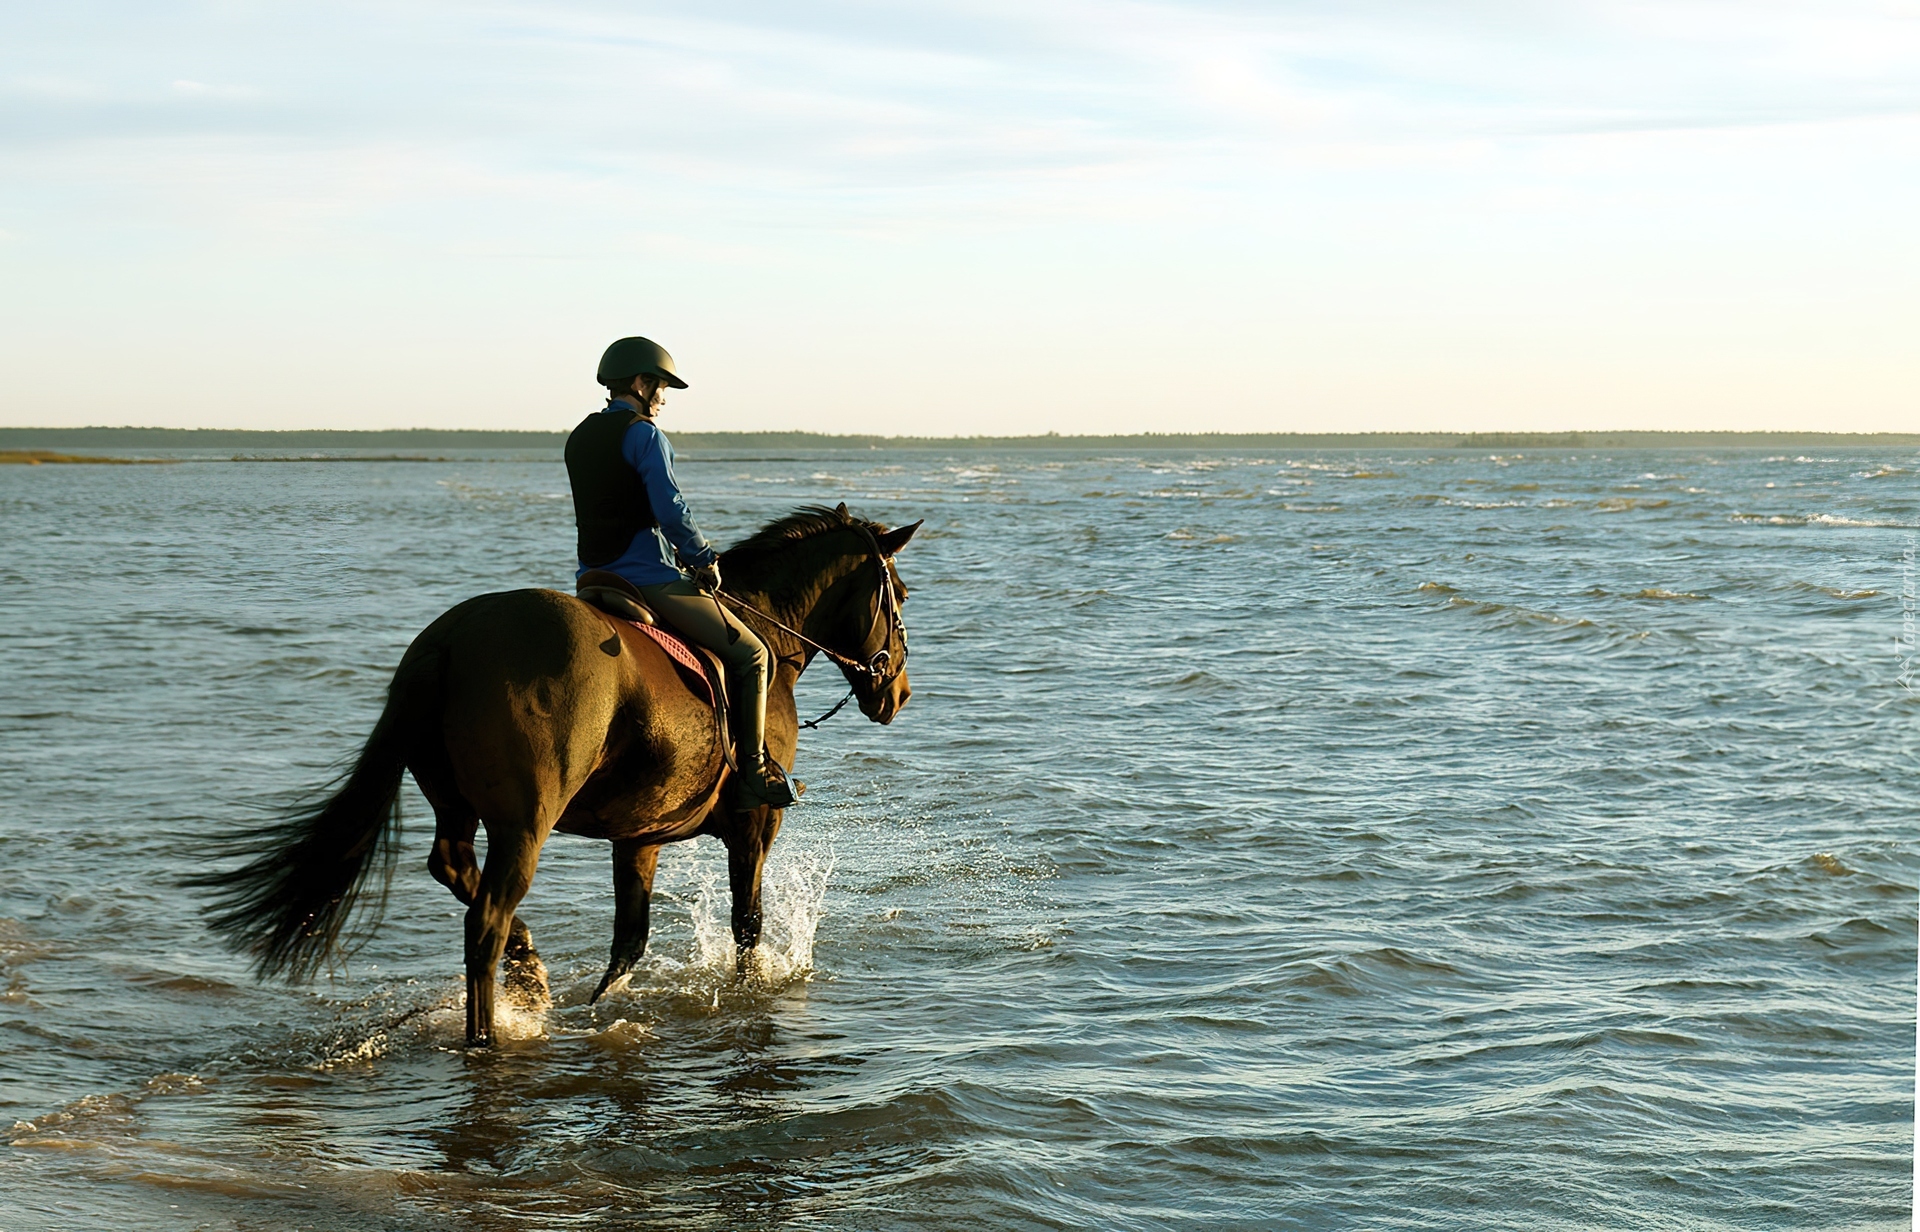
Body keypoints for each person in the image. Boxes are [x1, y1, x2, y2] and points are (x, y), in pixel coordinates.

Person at [565, 336, 798, 808]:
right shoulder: (645, 435)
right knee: (754, 654)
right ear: (639, 383)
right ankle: (753, 771)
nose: (664, 399)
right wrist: (703, 558)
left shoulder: (579, 436)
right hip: (647, 580)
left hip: (593, 576)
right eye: (661, 388)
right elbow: (671, 511)